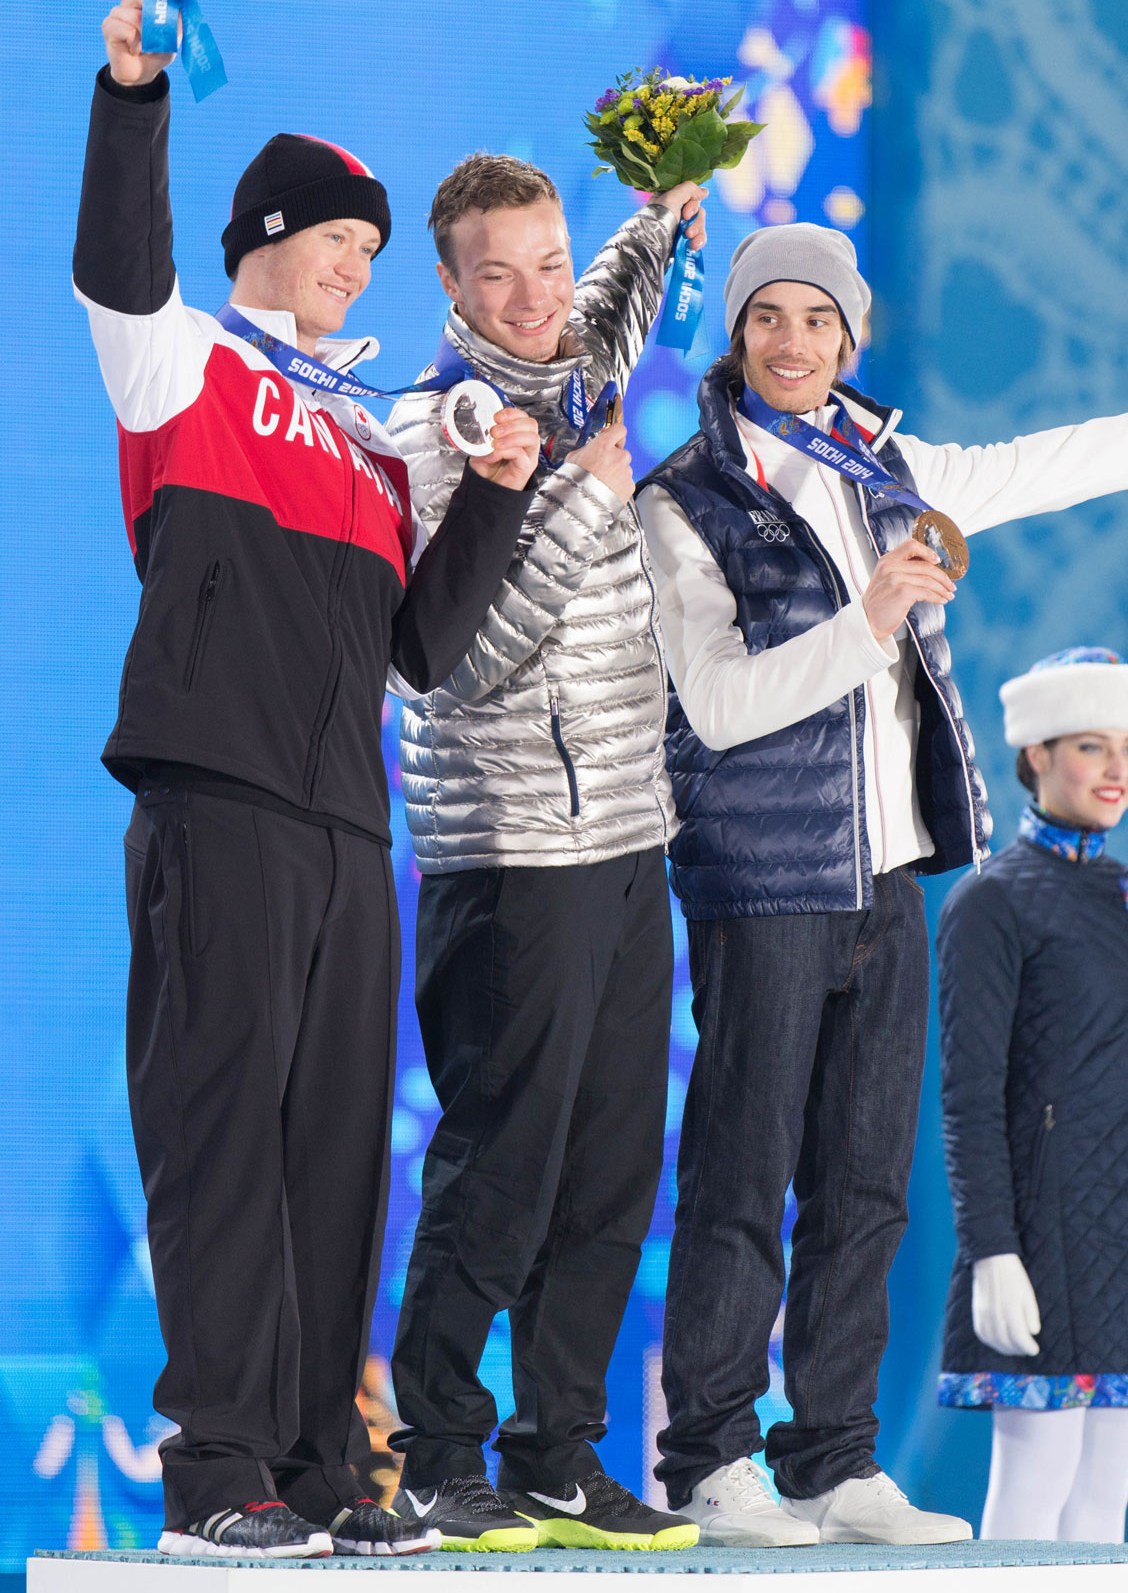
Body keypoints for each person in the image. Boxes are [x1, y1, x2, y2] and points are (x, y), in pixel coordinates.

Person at [634, 223, 1128, 1547]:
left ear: (851, 340)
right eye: (769, 319)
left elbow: (1057, 464)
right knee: (744, 1174)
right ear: (738, 335)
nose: (794, 343)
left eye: (819, 320)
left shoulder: (891, 467)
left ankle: (829, 1457)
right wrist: (866, 621)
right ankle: (708, 1455)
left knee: (866, 1180)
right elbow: (718, 703)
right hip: (762, 879)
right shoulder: (684, 496)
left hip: (883, 877)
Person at [76, 0, 541, 1561]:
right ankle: (214, 1473)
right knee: (220, 1137)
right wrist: (132, 89)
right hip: (218, 799)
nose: (360, 261)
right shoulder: (183, 365)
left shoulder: (360, 435)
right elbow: (116, 265)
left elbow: (418, 649)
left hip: (353, 822)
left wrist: (486, 499)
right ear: (267, 232)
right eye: (340, 234)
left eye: (369, 245)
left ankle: (323, 1473)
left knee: (339, 1152)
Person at [383, 155, 707, 1550]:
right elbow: (456, 662)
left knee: (613, 1165)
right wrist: (586, 495)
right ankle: (440, 1451)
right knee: (502, 1162)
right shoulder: (428, 430)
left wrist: (666, 207)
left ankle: (558, 1452)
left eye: (548, 264)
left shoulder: (579, 359)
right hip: (510, 851)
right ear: (448, 285)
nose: (530, 299)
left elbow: (624, 297)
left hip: (631, 836)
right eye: (494, 272)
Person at [935, 649, 1128, 1542]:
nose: (1119, 771)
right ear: (1034, 754)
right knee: (1032, 1490)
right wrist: (992, 1250)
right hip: (1046, 1238)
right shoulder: (991, 900)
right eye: (1092, 747)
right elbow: (969, 1094)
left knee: (1104, 1501)